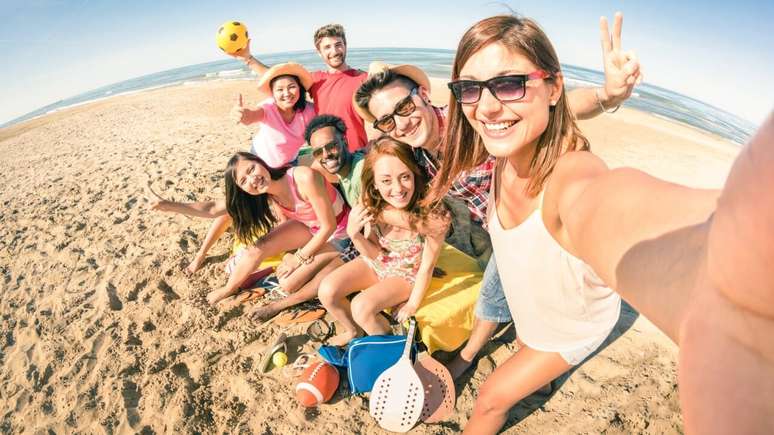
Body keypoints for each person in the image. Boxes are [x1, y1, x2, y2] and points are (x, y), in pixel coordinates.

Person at [429, 12, 773, 434]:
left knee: (489, 401)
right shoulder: (507, 148)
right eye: (469, 89)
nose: (485, 106)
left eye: (508, 83)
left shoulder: (569, 177)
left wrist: (731, 273)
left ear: (553, 87)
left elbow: (612, 209)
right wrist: (609, 96)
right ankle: (541, 375)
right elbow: (574, 106)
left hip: (571, 328)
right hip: (536, 311)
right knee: (525, 348)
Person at [352, 12, 641, 377]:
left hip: (521, 220)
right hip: (481, 225)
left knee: (498, 289)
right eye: (388, 120)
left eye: (405, 108)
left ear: (423, 95)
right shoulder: (412, 150)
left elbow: (557, 108)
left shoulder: (469, 117)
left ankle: (469, 356)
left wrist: (606, 95)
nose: (402, 123)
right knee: (512, 289)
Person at [151, 152, 351, 306]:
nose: (252, 179)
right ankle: (229, 288)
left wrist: (298, 258)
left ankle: (327, 263)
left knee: (289, 283)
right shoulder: (264, 193)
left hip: (339, 230)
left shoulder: (303, 177)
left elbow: (329, 226)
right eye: (243, 181)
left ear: (261, 162)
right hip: (310, 227)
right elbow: (212, 208)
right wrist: (169, 205)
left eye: (251, 169)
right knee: (256, 248)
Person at [185, 63, 316, 275]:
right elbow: (253, 115)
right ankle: (201, 253)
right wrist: (242, 114)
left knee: (286, 213)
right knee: (232, 209)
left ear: (299, 88)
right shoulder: (270, 108)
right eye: (279, 89)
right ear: (273, 94)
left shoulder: (308, 111)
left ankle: (276, 252)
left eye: (291, 87)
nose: (286, 93)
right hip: (256, 168)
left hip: (285, 169)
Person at [317, 137, 449, 346]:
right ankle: (353, 331)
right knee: (327, 290)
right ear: (375, 183)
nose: (397, 188)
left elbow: (427, 266)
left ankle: (388, 344)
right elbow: (373, 254)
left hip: (407, 274)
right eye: (386, 181)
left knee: (361, 306)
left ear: (415, 174)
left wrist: (412, 305)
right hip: (378, 263)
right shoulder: (370, 203)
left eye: (405, 177)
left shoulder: (432, 214)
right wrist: (355, 234)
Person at [230, 24, 369, 153]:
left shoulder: (363, 79)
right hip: (327, 154)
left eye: (338, 45)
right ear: (319, 52)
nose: (334, 51)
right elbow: (277, 75)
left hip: (357, 153)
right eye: (327, 47)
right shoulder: (316, 79)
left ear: (345, 46)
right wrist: (248, 58)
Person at [304, 114, 366, 206]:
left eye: (331, 146)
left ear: (344, 141)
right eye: (318, 152)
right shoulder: (344, 173)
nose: (325, 155)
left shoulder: (361, 173)